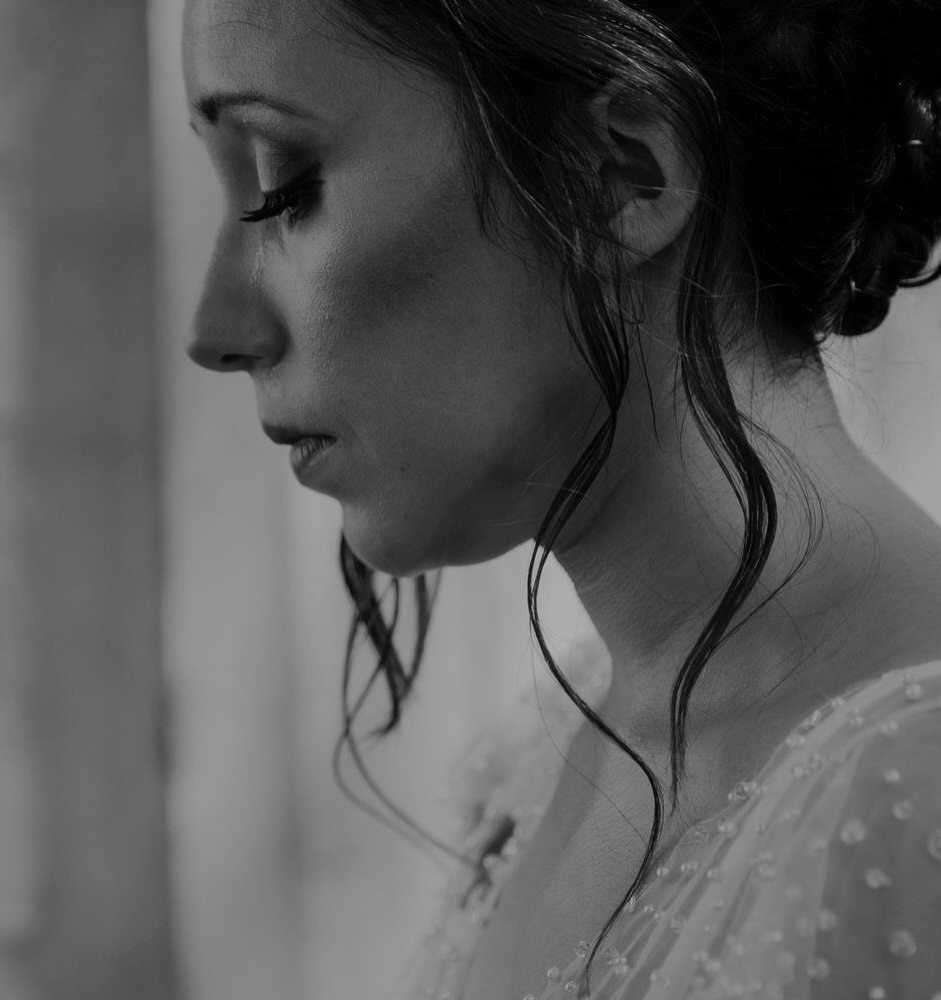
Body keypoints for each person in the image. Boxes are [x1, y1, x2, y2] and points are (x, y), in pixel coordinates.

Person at [180, 0, 941, 997]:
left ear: (622, 177)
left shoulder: (914, 788)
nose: (215, 331)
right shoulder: (544, 763)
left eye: (288, 188)